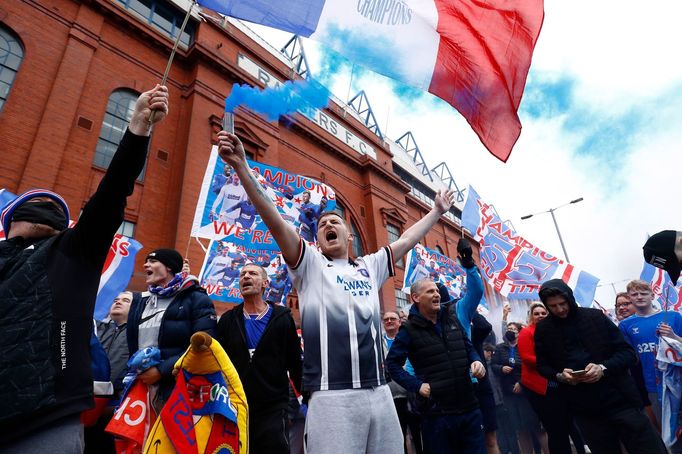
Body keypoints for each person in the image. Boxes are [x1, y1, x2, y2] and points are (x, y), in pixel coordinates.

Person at [216, 130, 456, 454]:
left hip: (381, 392)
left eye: (335, 222)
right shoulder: (310, 265)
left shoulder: (370, 266)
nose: (329, 225)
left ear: (349, 236)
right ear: (317, 240)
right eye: (322, 225)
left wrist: (437, 211)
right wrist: (244, 170)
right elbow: (275, 221)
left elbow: (407, 239)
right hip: (332, 396)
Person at [0, 85, 168, 451]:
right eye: (34, 204)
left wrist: (138, 128)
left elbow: (111, 195)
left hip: (46, 420)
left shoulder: (72, 252)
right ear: (8, 222)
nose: (43, 206)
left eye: (52, 206)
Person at [535, 279, 667, 453]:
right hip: (585, 410)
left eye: (563, 303)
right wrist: (560, 376)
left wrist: (603, 368)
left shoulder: (595, 317)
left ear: (570, 298)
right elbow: (543, 366)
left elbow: (627, 354)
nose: (560, 310)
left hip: (621, 400)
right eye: (553, 306)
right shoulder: (544, 329)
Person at [385, 278, 487, 453]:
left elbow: (468, 348)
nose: (436, 294)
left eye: (437, 291)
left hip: (469, 408)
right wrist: (417, 386)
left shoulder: (452, 320)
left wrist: (476, 360)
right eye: (430, 291)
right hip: (437, 415)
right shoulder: (408, 330)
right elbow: (392, 364)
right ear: (416, 297)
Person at [215, 263, 302, 454]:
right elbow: (217, 363)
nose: (245, 276)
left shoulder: (282, 318)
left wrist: (308, 397)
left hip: (273, 407)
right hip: (235, 406)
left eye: (252, 273)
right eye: (242, 274)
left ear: (265, 283)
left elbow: (295, 361)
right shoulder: (228, 320)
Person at [127, 248, 217, 411]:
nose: (146, 264)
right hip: (139, 387)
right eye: (146, 261)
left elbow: (203, 346)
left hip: (176, 389)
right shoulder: (140, 301)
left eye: (153, 261)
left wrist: (162, 371)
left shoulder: (196, 299)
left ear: (169, 267)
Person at [619, 279, 682, 450]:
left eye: (643, 293)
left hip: (678, 380)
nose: (639, 297)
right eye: (634, 294)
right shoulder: (625, 325)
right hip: (654, 386)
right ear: (629, 298)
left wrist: (673, 336)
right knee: (670, 432)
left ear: (652, 295)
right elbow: (629, 356)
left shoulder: (674, 317)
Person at [518, 302, 585, 454]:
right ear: (531, 316)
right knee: (555, 428)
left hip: (560, 382)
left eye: (543, 313)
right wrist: (554, 365)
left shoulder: (554, 331)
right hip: (539, 386)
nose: (540, 316)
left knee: (571, 423)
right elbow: (526, 358)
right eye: (537, 313)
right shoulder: (526, 332)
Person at [85, 291, 134, 453]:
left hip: (113, 411)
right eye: (116, 299)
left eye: (126, 300)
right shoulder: (96, 329)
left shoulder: (137, 335)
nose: (118, 302)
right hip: (87, 405)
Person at [492, 322, 547, 453]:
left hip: (526, 393)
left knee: (537, 427)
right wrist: (501, 368)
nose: (510, 331)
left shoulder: (524, 345)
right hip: (509, 394)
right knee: (520, 430)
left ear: (519, 332)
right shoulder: (500, 348)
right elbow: (493, 365)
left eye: (513, 329)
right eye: (508, 329)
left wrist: (522, 382)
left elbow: (531, 367)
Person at [382, 310, 423, 454]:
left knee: (418, 434)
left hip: (411, 394)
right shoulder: (378, 343)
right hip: (390, 397)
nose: (389, 321)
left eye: (392, 318)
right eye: (386, 319)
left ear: (399, 321)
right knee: (398, 435)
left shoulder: (408, 338)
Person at [484, 344, 518, 454]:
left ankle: (515, 451)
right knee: (499, 433)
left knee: (510, 430)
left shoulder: (495, 367)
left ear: (489, 352)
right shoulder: (484, 368)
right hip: (493, 405)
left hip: (503, 402)